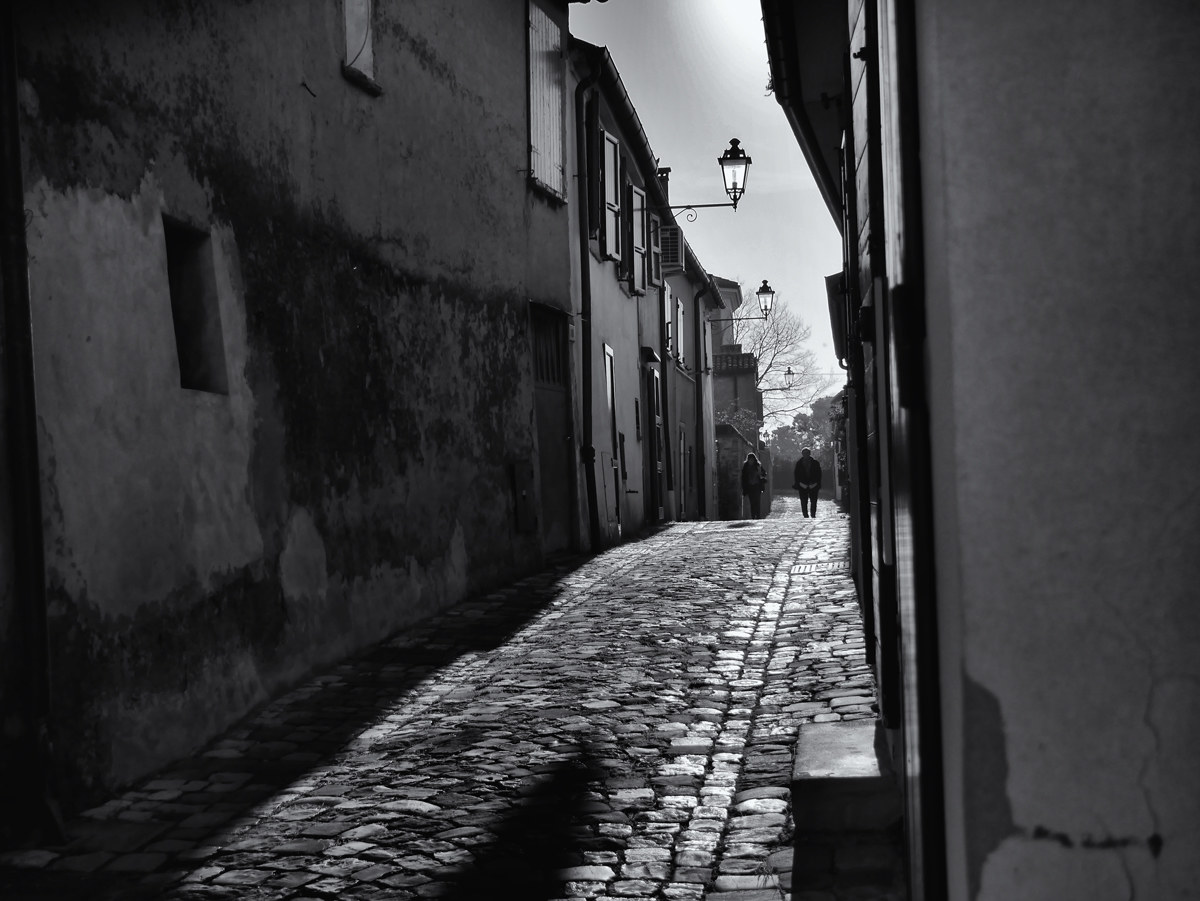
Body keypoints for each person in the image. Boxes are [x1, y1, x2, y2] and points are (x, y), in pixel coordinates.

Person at [793, 447, 822, 518]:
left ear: (809, 454)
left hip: (813, 484)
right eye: (804, 453)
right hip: (802, 485)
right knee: (803, 501)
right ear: (802, 454)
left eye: (807, 453)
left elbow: (819, 474)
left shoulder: (815, 463)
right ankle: (805, 514)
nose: (806, 455)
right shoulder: (799, 463)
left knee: (813, 501)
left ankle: (813, 514)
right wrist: (799, 483)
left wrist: (816, 483)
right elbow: (796, 474)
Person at [740, 452, 768, 519]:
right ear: (748, 460)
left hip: (757, 486)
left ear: (754, 459)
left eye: (752, 459)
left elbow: (764, 473)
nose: (751, 461)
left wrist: (760, 474)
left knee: (757, 501)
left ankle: (758, 516)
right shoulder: (746, 467)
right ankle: (753, 516)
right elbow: (743, 477)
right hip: (750, 487)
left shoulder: (758, 465)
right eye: (750, 459)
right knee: (752, 502)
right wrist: (744, 488)